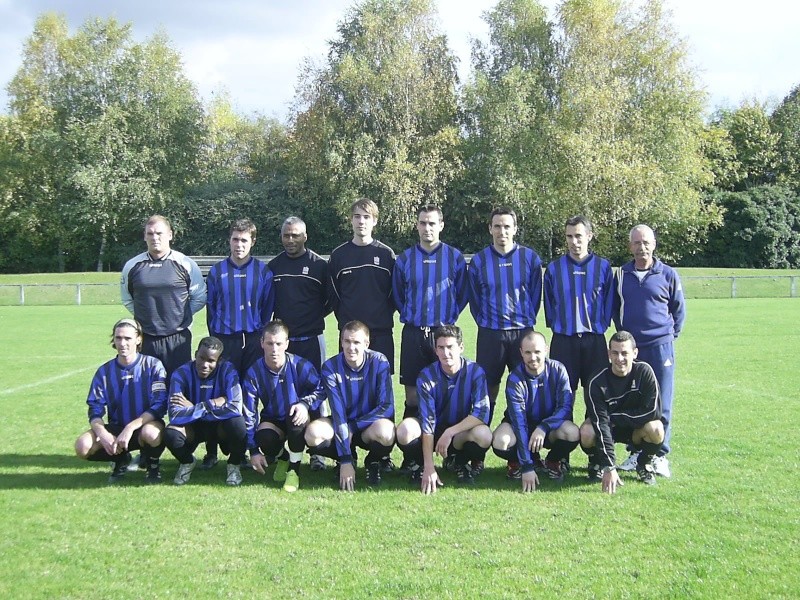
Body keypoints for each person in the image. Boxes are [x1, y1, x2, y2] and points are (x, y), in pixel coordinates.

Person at [392, 204, 468, 472]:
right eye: (423, 223)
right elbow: (398, 296)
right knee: (413, 397)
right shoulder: (404, 259)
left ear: (441, 225)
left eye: (432, 223)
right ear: (417, 225)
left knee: (447, 395)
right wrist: (414, 316)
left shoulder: (455, 258)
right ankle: (412, 457)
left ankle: (451, 453)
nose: (427, 228)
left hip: (443, 333)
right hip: (414, 332)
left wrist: (445, 320)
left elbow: (462, 294)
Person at [613, 224, 685, 478]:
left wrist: (666, 336)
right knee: (634, 400)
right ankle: (636, 452)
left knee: (662, 401)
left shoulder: (667, 274)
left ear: (654, 244)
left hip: (660, 348)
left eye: (646, 242)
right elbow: (615, 309)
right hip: (632, 350)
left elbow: (678, 311)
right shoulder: (621, 274)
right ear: (630, 246)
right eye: (636, 243)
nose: (641, 247)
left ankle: (660, 454)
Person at [204, 218, 274, 469]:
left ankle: (247, 447)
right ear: (229, 240)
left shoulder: (263, 272)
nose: (239, 244)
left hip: (253, 340)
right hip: (226, 340)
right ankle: (211, 451)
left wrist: (259, 334)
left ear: (252, 242)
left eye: (244, 240)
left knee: (250, 395)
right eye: (235, 239)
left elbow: (268, 307)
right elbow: (210, 308)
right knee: (219, 392)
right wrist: (217, 340)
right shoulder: (216, 271)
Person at [268, 216, 333, 471]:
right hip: (284, 345)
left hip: (311, 340)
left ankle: (318, 452)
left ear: (305, 236)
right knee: (281, 392)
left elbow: (329, 301)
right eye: (286, 235)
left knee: (317, 393)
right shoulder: (273, 266)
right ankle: (283, 447)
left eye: (295, 235)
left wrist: (312, 318)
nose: (291, 240)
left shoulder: (319, 265)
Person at [468, 206, 542, 426]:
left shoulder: (530, 258)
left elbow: (535, 296)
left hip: (522, 333)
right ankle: (478, 448)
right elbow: (474, 299)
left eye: (507, 226)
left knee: (526, 389)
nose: (502, 231)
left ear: (515, 229)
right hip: (491, 333)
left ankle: (523, 450)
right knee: (487, 390)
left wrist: (525, 320)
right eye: (497, 226)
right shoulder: (479, 261)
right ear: (490, 228)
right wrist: (487, 321)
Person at [396, 325, 492, 493]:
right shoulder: (426, 376)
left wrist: (450, 432)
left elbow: (481, 413)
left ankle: (458, 462)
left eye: (450, 347)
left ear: (461, 347)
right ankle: (419, 466)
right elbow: (428, 422)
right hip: (433, 431)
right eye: (441, 347)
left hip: (457, 433)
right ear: (435, 349)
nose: (446, 353)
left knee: (484, 435)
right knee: (405, 430)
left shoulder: (475, 372)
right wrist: (429, 467)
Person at [74, 318, 167, 484]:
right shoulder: (104, 372)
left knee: (151, 434)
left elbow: (159, 404)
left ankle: (153, 465)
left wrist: (131, 427)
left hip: (143, 426)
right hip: (116, 428)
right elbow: (94, 409)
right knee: (82, 446)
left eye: (128, 338)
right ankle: (121, 459)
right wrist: (103, 434)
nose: (122, 343)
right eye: (118, 338)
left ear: (138, 339)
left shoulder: (153, 365)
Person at [305, 321, 396, 490]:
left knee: (387, 432)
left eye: (356, 342)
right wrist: (346, 458)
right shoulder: (330, 367)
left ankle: (373, 461)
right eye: (347, 341)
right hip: (343, 422)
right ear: (341, 341)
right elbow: (338, 414)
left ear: (366, 344)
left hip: (369, 425)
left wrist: (354, 426)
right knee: (313, 434)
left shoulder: (379, 362)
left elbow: (387, 407)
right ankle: (346, 459)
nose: (351, 347)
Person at [243, 321, 325, 493]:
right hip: (273, 418)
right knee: (264, 437)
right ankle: (284, 457)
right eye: (270, 343)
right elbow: (249, 412)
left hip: (298, 416)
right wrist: (253, 450)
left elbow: (321, 389)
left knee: (295, 416)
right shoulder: (253, 373)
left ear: (287, 344)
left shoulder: (301, 365)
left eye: (279, 344)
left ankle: (294, 471)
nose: (274, 349)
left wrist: (304, 404)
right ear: (262, 343)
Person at [491, 331, 580, 490]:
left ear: (545, 349)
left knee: (572, 432)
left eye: (537, 352)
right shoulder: (515, 378)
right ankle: (518, 462)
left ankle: (552, 461)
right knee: (500, 441)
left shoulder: (558, 370)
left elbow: (565, 408)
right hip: (520, 425)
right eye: (528, 352)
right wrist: (527, 466)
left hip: (549, 427)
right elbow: (519, 422)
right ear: (521, 353)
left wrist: (544, 427)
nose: (533, 357)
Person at [121, 215, 205, 379]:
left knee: (178, 389)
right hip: (146, 338)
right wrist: (147, 318)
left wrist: (180, 316)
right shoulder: (132, 266)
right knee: (149, 389)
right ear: (145, 236)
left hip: (178, 338)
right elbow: (128, 299)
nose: (155, 238)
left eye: (159, 233)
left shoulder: (185, 264)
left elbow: (199, 297)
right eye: (150, 234)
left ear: (170, 235)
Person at [580, 331, 665, 492]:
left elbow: (652, 412)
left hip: (634, 429)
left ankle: (643, 463)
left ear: (635, 353)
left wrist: (615, 417)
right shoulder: (596, 380)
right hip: (607, 428)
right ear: (608, 354)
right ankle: (596, 462)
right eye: (615, 353)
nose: (620, 358)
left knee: (656, 428)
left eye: (625, 353)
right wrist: (609, 466)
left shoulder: (644, 372)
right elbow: (600, 423)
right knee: (586, 431)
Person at [544, 215, 613, 402]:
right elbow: (549, 303)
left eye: (579, 236)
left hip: (594, 340)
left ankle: (594, 430)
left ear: (589, 236)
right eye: (569, 236)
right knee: (563, 395)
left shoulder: (603, 267)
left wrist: (602, 325)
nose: (574, 242)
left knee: (597, 395)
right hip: (564, 340)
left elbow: (609, 301)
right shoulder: (554, 269)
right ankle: (563, 431)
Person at [163, 337, 248, 486]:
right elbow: (175, 414)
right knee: (171, 433)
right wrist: (212, 403)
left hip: (220, 427)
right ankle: (187, 462)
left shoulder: (228, 371)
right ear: (195, 354)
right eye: (201, 358)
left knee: (238, 424)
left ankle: (234, 466)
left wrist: (192, 406)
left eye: (210, 360)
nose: (204, 364)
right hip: (194, 426)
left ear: (219, 360)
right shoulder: (180, 374)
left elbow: (235, 408)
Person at [328, 198, 396, 370]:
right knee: (349, 389)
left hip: (381, 335)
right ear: (351, 220)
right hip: (350, 337)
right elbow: (334, 295)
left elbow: (394, 294)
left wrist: (380, 316)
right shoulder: (338, 256)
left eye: (366, 217)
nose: (361, 221)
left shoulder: (386, 254)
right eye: (357, 216)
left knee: (381, 390)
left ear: (374, 221)